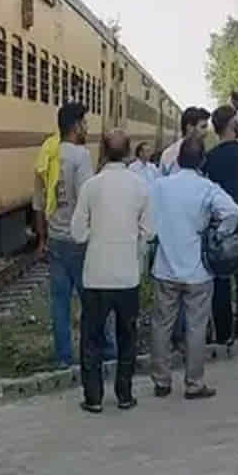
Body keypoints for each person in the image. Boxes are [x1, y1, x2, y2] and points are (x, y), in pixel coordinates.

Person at [149, 135, 238, 399]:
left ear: (178, 160)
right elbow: (233, 211)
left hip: (165, 268)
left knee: (161, 325)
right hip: (198, 271)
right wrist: (218, 233)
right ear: (202, 160)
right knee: (196, 326)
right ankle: (194, 383)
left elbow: (148, 216)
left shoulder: (160, 186)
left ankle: (162, 381)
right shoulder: (207, 188)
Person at [69, 130, 153, 412]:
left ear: (102, 153)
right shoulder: (140, 186)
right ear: (129, 152)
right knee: (127, 337)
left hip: (96, 276)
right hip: (128, 275)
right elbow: (150, 231)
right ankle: (125, 395)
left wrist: (98, 231)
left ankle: (93, 398)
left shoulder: (91, 187)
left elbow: (78, 233)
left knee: (91, 338)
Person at [32, 103, 114, 368]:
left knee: (60, 304)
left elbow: (38, 203)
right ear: (76, 125)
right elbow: (87, 200)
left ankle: (63, 358)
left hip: (55, 240)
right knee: (93, 300)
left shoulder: (46, 154)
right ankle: (101, 351)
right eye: (85, 123)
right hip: (79, 242)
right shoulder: (80, 157)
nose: (87, 128)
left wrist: (42, 239)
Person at [203, 105, 238, 346]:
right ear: (232, 124)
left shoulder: (210, 158)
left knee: (221, 279)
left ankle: (223, 335)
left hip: (220, 225)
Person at [159, 107, 210, 175]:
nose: (206, 132)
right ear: (189, 127)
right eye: (203, 127)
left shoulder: (204, 153)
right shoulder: (170, 154)